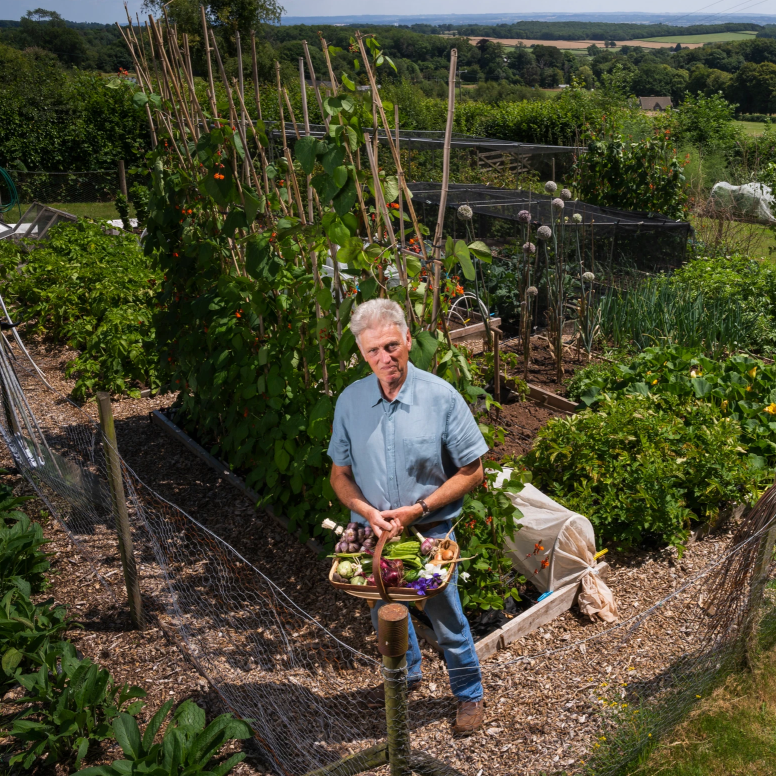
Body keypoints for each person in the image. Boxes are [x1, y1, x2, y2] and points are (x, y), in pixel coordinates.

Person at [327, 298, 488, 735]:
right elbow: (339, 475)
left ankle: (469, 695)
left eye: (392, 345)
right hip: (376, 532)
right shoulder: (351, 402)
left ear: (408, 341)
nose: (385, 358)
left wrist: (420, 509)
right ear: (362, 354)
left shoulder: (440, 398)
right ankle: (407, 676)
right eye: (373, 351)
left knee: (446, 615)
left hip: (430, 531)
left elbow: (473, 471)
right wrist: (365, 512)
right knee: (387, 612)